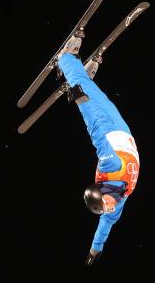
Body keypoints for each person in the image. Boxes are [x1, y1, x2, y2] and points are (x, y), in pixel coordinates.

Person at [57, 36, 140, 266]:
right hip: (124, 131)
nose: (109, 207)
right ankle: (87, 80)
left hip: (106, 129)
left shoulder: (108, 167)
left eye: (105, 204)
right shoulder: (118, 200)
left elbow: (95, 133)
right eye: (106, 208)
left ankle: (65, 59)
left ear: (100, 192)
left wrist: (81, 103)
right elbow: (105, 225)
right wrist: (95, 249)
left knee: (86, 95)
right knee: (101, 98)